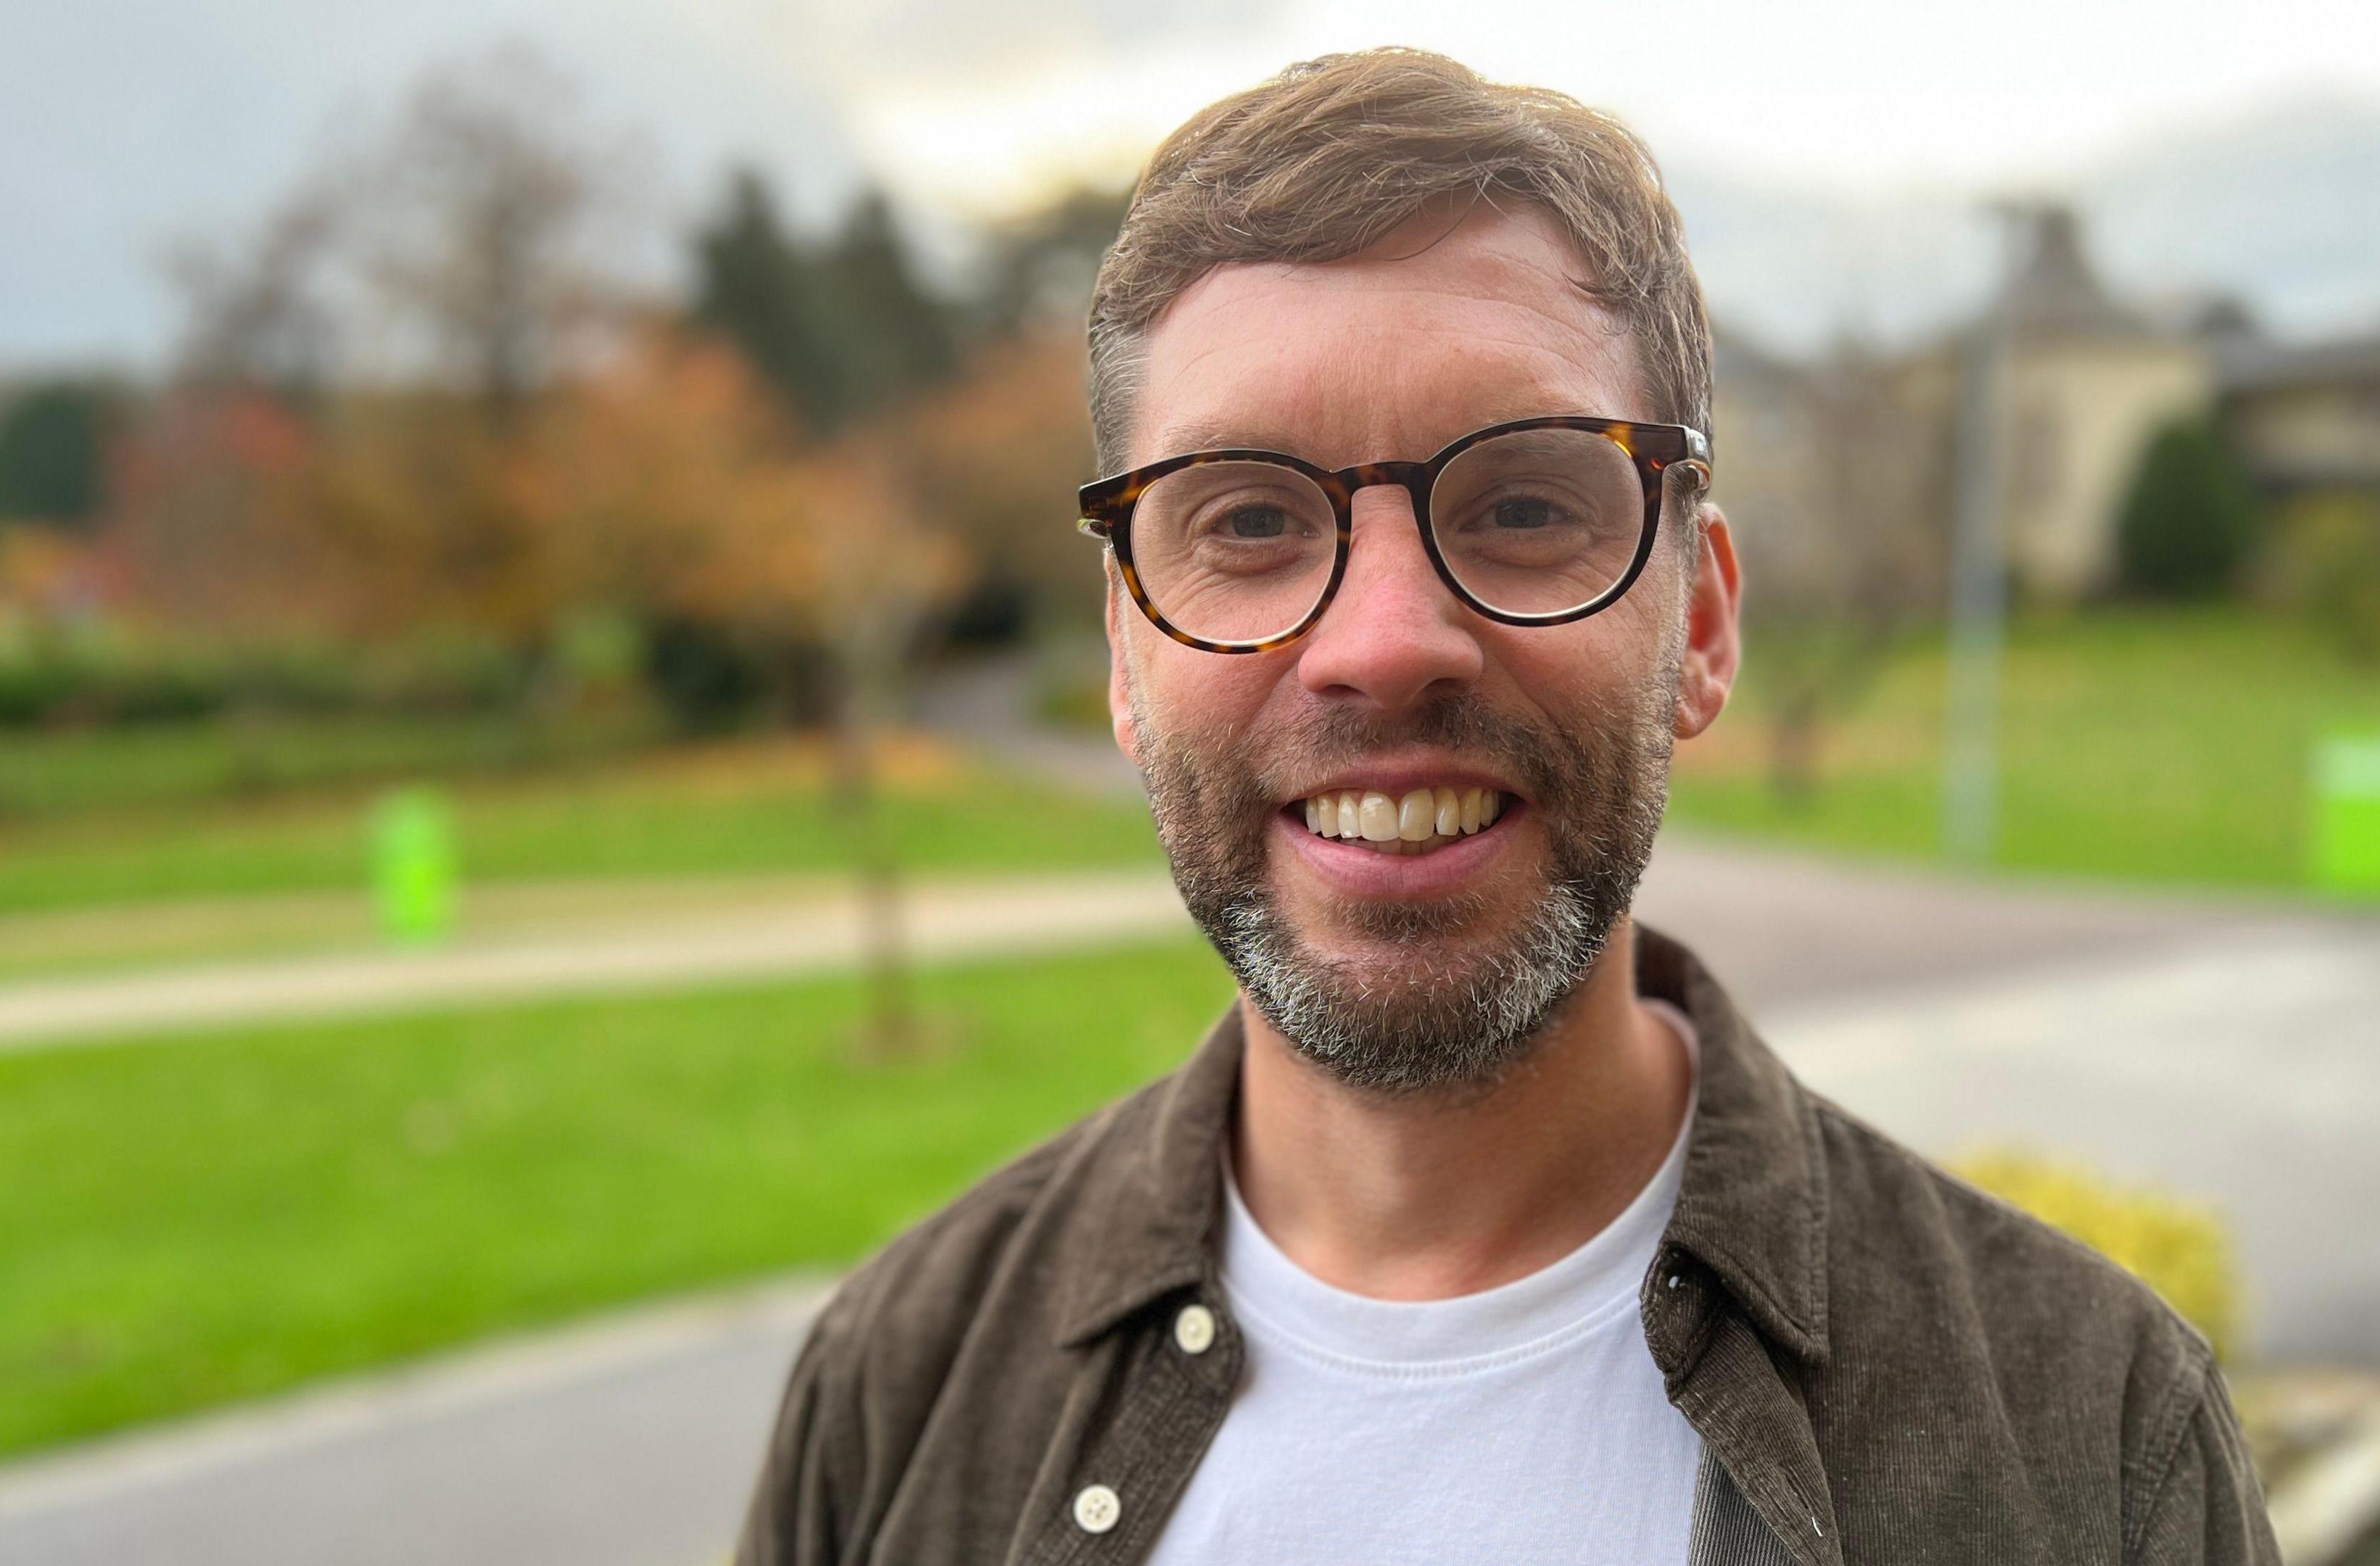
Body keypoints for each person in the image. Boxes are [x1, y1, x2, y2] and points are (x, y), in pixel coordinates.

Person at [737, 47, 2276, 1566]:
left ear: (1705, 624)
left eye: (1528, 503)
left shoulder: (2092, 1444)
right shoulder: (899, 1390)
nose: (1388, 641)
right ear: (1126, 654)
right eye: (1252, 519)